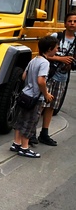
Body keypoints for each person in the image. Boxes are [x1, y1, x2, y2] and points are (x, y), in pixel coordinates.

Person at [31, 12, 76, 146]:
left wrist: (70, 64)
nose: (72, 24)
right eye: (70, 21)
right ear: (65, 23)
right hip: (49, 74)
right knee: (41, 103)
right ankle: (31, 132)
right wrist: (59, 58)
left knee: (52, 105)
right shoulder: (56, 36)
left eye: (75, 21)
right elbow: (43, 54)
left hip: (62, 76)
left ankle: (44, 133)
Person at [10, 35, 58, 158]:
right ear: (49, 49)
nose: (57, 51)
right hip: (35, 98)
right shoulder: (45, 63)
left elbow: (24, 76)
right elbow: (41, 81)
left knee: (20, 119)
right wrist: (46, 94)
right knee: (30, 121)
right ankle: (24, 147)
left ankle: (16, 143)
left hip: (25, 94)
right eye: (56, 48)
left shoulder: (34, 60)